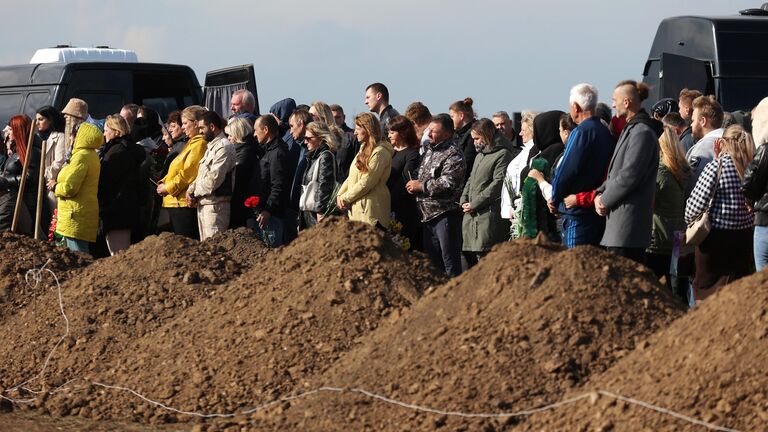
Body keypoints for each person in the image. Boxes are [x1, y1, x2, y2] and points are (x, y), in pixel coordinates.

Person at [686, 124, 754, 302]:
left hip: (715, 242)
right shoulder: (751, 169)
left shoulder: (716, 167)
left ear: (723, 143)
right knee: (736, 296)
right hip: (744, 240)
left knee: (706, 296)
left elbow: (692, 208)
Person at [595, 80, 661, 263]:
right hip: (620, 227)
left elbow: (629, 175)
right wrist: (600, 192)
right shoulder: (632, 129)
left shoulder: (642, 132)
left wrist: (604, 199)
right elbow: (616, 173)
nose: (613, 104)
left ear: (626, 102)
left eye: (615, 99)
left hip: (628, 228)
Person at [550, 83, 616, 248]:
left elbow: (566, 170)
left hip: (576, 213)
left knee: (574, 266)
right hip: (596, 210)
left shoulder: (580, 132)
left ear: (575, 107)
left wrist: (555, 198)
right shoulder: (604, 131)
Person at [406, 114, 465, 277]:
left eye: (434, 131)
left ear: (446, 134)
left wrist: (421, 186)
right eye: (429, 130)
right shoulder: (430, 151)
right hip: (427, 216)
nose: (429, 134)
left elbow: (449, 182)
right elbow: (424, 174)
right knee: (434, 266)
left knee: (449, 264)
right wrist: (415, 183)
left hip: (444, 215)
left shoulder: (453, 154)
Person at [460, 118, 512, 267]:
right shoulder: (480, 155)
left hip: (488, 217)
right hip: (473, 216)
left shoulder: (502, 154)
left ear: (487, 135)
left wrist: (475, 203)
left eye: (477, 138)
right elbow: (471, 179)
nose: (475, 142)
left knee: (487, 262)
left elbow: (498, 183)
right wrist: (464, 200)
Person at [645, 126, 691, 289]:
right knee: (676, 290)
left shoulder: (661, 172)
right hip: (678, 238)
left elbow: (647, 202)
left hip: (657, 239)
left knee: (651, 288)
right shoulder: (682, 169)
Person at [157, 105, 208, 240]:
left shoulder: (199, 144)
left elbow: (188, 173)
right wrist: (163, 182)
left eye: (185, 123)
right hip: (176, 202)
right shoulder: (191, 143)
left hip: (183, 203)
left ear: (196, 124)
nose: (183, 127)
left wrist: (167, 187)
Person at [98, 115, 145, 255]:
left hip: (117, 209)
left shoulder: (117, 152)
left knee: (119, 254)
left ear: (116, 132)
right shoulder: (126, 148)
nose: (104, 134)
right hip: (125, 207)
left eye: (106, 130)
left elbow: (107, 181)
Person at [54, 122, 103, 253]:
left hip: (75, 214)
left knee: (79, 255)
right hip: (79, 212)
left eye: (72, 135)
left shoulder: (81, 157)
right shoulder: (91, 155)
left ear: (79, 136)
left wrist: (55, 187)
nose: (70, 138)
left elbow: (70, 187)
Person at [337, 113, 393, 227]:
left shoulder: (380, 152)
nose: (355, 132)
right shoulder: (363, 148)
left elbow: (367, 182)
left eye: (358, 129)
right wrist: (339, 195)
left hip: (371, 213)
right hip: (357, 211)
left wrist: (345, 198)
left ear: (368, 129)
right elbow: (351, 176)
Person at [187, 111, 237, 241]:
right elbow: (202, 175)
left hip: (216, 207)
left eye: (202, 128)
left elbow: (214, 179)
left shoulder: (224, 147)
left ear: (212, 127)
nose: (200, 132)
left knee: (216, 249)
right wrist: (190, 190)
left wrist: (194, 193)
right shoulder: (212, 147)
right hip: (205, 205)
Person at [252, 114, 292, 246]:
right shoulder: (267, 151)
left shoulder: (277, 153)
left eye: (256, 130)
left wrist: (268, 210)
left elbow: (278, 185)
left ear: (265, 130)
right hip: (266, 213)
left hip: (273, 216)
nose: (254, 134)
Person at [0, 115, 42, 236]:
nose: (8, 132)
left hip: (23, 201)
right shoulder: (16, 150)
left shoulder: (32, 152)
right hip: (12, 198)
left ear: (19, 131)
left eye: (11, 129)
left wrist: (5, 180)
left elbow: (29, 178)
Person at [387, 115, 422, 251]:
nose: (389, 135)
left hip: (403, 208)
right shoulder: (390, 152)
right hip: (388, 207)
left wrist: (390, 200)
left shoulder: (412, 153)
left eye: (392, 132)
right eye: (389, 132)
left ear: (402, 133)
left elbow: (404, 181)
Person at [741, 96, 768, 271]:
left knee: (762, 282)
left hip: (765, 222)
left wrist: (749, 199)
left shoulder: (765, 150)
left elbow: (749, 183)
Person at [300, 121, 339, 228]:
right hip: (310, 213)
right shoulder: (313, 157)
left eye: (308, 138)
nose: (305, 142)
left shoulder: (325, 157)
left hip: (317, 215)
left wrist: (320, 211)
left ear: (320, 138)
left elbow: (325, 185)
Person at [501, 110, 537, 222]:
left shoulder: (533, 152)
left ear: (533, 131)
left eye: (523, 130)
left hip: (522, 212)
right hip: (515, 211)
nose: (520, 133)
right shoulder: (525, 151)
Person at [686, 95, 725, 197]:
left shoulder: (702, 148)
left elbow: (692, 184)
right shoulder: (734, 142)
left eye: (693, 121)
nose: (691, 125)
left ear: (703, 121)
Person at [35, 106, 67, 230]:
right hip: (40, 185)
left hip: (51, 184)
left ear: (51, 120)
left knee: (54, 220)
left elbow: (59, 162)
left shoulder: (60, 137)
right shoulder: (38, 138)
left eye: (41, 119)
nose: (37, 123)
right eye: (37, 119)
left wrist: (43, 174)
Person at [225, 117, 259, 229]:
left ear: (238, 134)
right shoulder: (242, 150)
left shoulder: (245, 153)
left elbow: (239, 179)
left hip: (243, 205)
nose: (228, 139)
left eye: (230, 135)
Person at [450, 98, 478, 181]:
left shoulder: (473, 134)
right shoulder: (456, 134)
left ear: (461, 116)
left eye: (452, 116)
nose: (451, 120)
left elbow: (467, 162)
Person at [163, 110, 187, 176]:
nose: (169, 130)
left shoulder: (182, 145)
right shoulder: (178, 144)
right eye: (169, 126)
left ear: (182, 126)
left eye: (173, 126)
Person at [678, 88, 703, 152]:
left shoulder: (688, 139)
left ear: (687, 110)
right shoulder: (707, 130)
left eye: (680, 108)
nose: (679, 111)